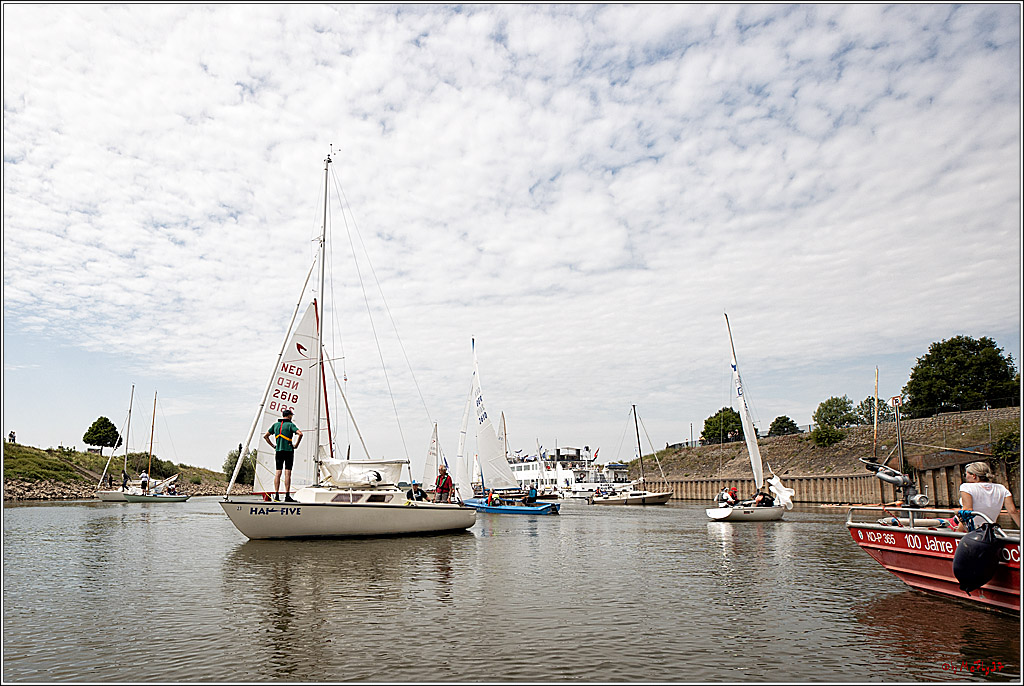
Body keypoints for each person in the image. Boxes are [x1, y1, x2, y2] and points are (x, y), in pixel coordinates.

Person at [955, 461, 1020, 532]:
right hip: (989, 528)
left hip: (971, 528)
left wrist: (958, 532)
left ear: (974, 475)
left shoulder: (966, 487)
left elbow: (967, 512)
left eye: (965, 474)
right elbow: (1013, 511)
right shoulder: (1001, 488)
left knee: (946, 522)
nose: (966, 477)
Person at [263, 408, 303, 503]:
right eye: (291, 415)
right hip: (288, 450)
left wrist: (273, 445)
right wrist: (296, 445)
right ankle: (287, 496)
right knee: (287, 473)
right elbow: (300, 434)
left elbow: (266, 436)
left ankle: (276, 495)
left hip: (278, 451)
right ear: (289, 416)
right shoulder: (290, 425)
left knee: (278, 473)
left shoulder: (275, 425)